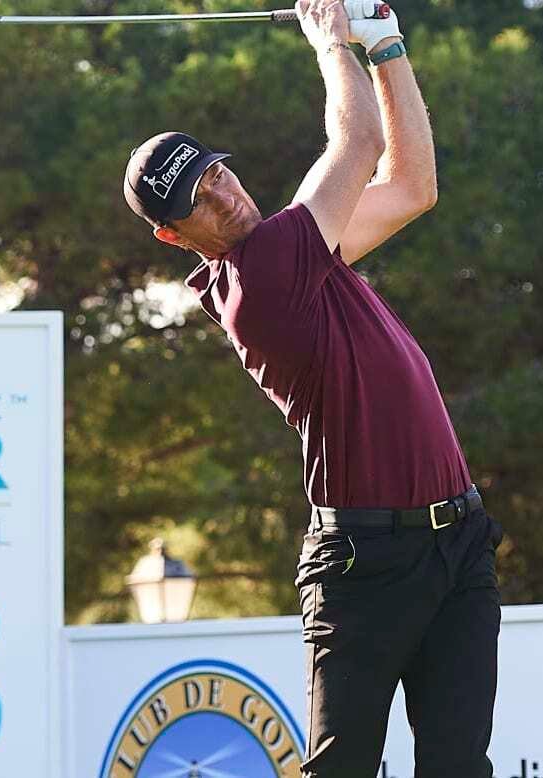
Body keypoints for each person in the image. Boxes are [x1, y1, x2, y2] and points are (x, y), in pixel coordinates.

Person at [122, 1, 504, 776]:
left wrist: (387, 44)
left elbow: (412, 186)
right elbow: (359, 143)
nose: (224, 196)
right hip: (365, 561)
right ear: (173, 234)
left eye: (216, 173)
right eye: (197, 201)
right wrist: (332, 40)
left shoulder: (303, 252)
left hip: (457, 539)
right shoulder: (260, 276)